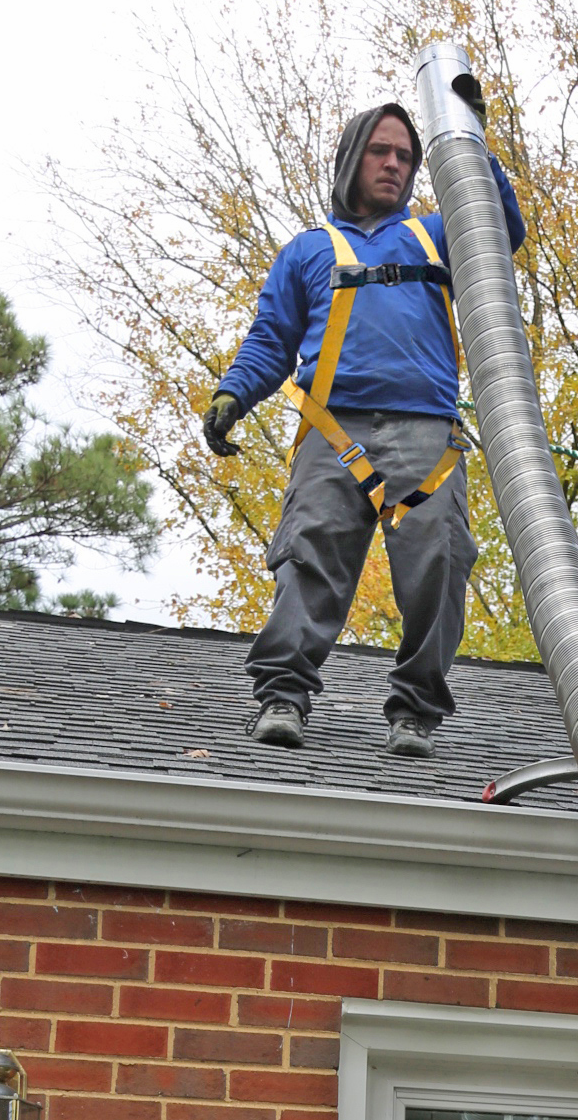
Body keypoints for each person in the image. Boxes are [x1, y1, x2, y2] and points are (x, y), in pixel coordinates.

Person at [202, 101, 525, 759]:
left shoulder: (437, 236)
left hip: (427, 435)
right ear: (353, 158)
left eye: (405, 157)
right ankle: (283, 697)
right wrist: (233, 394)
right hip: (334, 430)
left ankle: (415, 711)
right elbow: (271, 340)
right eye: (381, 152)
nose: (394, 165)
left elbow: (499, 231)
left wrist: (472, 147)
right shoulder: (308, 252)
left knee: (441, 559)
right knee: (310, 554)